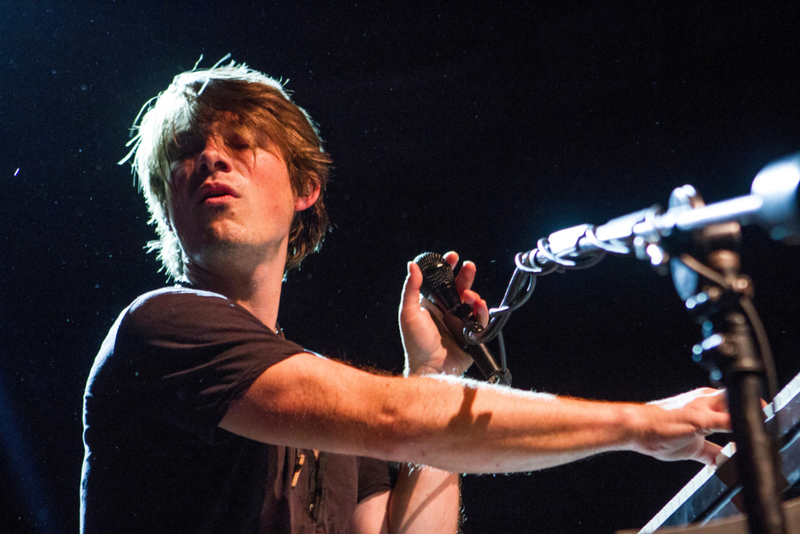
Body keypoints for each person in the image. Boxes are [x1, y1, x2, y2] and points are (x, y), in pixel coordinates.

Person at [80, 60, 730, 534]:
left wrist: (434, 373)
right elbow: (398, 420)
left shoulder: (331, 419)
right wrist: (637, 424)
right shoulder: (161, 330)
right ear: (166, 208)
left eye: (241, 144)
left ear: (305, 190)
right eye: (189, 152)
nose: (213, 160)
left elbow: (410, 439)